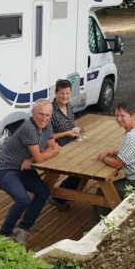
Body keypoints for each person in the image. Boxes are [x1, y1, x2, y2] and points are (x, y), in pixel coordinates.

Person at [0, 98, 61, 245]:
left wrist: (31, 160)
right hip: (6, 169)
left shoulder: (47, 125)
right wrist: (52, 153)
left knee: (43, 192)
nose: (44, 118)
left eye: (47, 115)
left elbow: (49, 146)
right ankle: (4, 234)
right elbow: (47, 153)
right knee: (23, 200)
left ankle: (23, 229)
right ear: (33, 113)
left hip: (23, 168)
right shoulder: (28, 128)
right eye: (40, 114)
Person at [92, 101, 135, 224]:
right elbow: (132, 150)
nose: (118, 119)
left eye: (122, 116)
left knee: (103, 191)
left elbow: (118, 165)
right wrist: (115, 152)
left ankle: (99, 227)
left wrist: (102, 158)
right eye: (116, 115)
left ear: (132, 116)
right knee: (109, 187)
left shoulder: (131, 137)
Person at [47, 79, 83, 212]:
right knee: (80, 170)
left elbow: (71, 125)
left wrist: (76, 130)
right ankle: (58, 196)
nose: (65, 96)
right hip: (56, 149)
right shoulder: (50, 112)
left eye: (67, 93)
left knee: (85, 163)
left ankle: (62, 195)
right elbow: (47, 137)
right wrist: (67, 133)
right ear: (56, 93)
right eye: (62, 94)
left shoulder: (68, 106)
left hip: (71, 145)